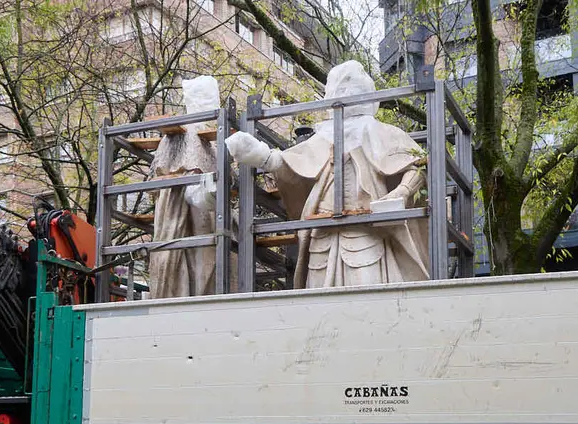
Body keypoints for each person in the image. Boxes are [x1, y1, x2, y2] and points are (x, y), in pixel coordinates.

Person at [225, 61, 429, 289]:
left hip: (367, 232)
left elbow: (419, 166)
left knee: (369, 298)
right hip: (322, 235)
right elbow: (296, 162)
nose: (344, 93)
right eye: (339, 89)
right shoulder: (323, 136)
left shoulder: (384, 133)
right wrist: (263, 156)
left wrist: (402, 191)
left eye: (349, 89)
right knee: (319, 301)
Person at [148, 75, 222, 297]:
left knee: (209, 257)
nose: (211, 101)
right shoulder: (184, 133)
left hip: (206, 212)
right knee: (192, 261)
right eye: (207, 96)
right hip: (185, 212)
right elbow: (162, 179)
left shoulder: (213, 136)